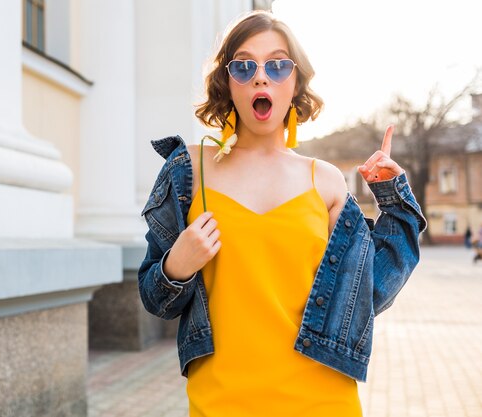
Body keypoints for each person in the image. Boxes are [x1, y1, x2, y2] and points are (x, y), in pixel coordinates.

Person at [138, 10, 427, 416]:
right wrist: (177, 266)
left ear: (294, 83)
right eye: (244, 66)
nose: (261, 77)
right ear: (228, 82)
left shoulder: (324, 181)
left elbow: (369, 293)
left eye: (277, 65)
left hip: (322, 402)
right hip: (220, 404)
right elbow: (156, 298)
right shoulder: (188, 170)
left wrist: (395, 202)